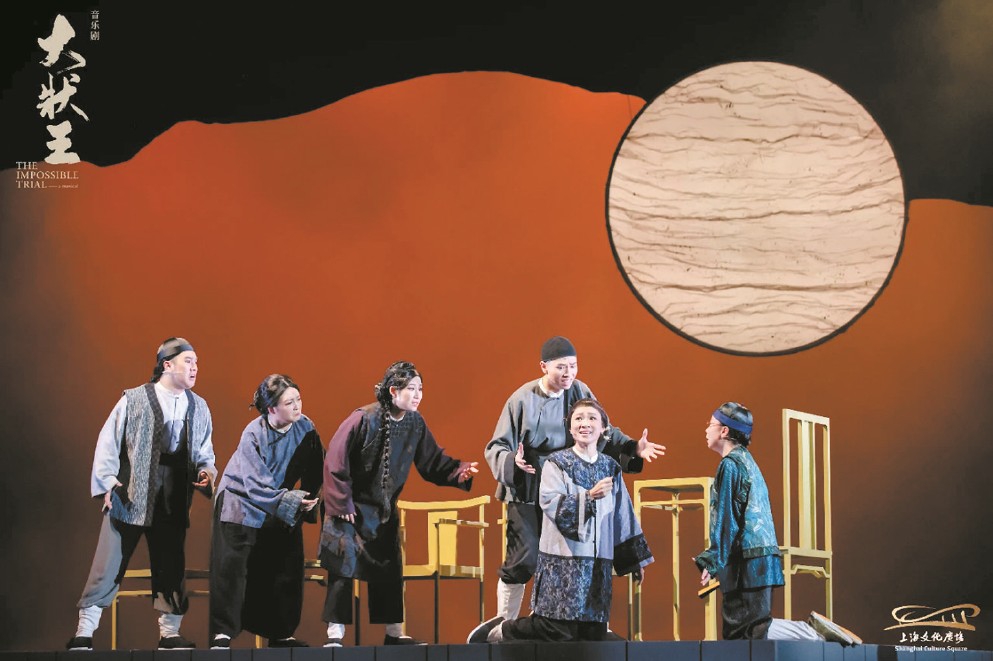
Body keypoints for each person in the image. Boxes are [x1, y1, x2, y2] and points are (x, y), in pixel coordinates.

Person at [484, 336, 665, 621]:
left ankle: (549, 622)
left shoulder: (580, 390)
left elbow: (602, 429)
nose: (568, 373)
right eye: (561, 367)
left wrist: (633, 447)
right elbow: (497, 446)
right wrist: (513, 462)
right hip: (529, 487)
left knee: (566, 557)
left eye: (573, 366)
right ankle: (503, 623)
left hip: (568, 490)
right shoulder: (521, 400)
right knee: (525, 558)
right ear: (543, 367)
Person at [66, 337, 216, 651]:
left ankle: (169, 633)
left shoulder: (199, 405)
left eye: (197, 363)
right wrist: (108, 483)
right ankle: (85, 631)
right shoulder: (133, 399)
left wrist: (206, 472)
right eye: (188, 361)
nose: (195, 368)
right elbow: (108, 442)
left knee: (171, 563)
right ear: (167, 364)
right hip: (131, 492)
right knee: (108, 563)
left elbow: (205, 451)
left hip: (173, 496)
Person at [320, 361, 479, 647]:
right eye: (411, 389)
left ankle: (393, 634)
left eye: (421, 389)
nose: (418, 395)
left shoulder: (415, 423)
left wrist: (458, 471)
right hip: (349, 508)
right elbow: (335, 460)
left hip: (382, 510)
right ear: (393, 391)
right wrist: (341, 503)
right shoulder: (363, 418)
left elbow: (432, 461)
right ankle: (335, 635)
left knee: (390, 569)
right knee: (342, 568)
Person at [468, 398, 653, 643]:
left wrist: (633, 560)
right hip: (563, 559)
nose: (585, 423)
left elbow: (622, 514)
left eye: (592, 418)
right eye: (578, 419)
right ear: (570, 428)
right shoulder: (557, 463)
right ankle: (502, 631)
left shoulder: (611, 467)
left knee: (592, 632)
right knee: (555, 628)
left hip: (596, 562)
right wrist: (588, 497)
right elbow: (550, 502)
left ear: (603, 428)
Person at [694, 402, 861, 645]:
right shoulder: (747, 461)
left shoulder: (730, 465)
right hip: (760, 560)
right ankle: (811, 632)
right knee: (748, 631)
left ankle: (811, 632)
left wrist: (712, 559)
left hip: (748, 563)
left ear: (724, 431)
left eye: (710, 424)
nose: (706, 429)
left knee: (745, 633)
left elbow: (728, 519)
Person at [208, 374, 324, 648]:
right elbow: (255, 484)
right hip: (240, 502)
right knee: (232, 570)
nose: (297, 406)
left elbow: (316, 467)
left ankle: (280, 632)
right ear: (271, 408)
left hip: (277, 501)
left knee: (286, 562)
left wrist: (308, 499)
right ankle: (223, 633)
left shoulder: (305, 427)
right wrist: (289, 501)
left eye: (298, 399)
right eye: (289, 402)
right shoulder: (254, 433)